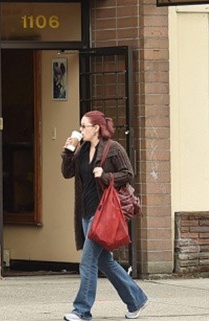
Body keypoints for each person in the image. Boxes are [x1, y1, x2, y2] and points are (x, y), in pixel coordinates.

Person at [60, 110, 148, 321]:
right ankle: (136, 299)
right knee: (104, 262)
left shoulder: (113, 148)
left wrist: (106, 175)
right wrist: (68, 151)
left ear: (96, 128)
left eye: (84, 126)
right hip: (85, 213)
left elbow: (128, 174)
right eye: (80, 126)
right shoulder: (82, 150)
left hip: (103, 214)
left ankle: (81, 311)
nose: (81, 130)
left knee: (87, 261)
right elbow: (67, 173)